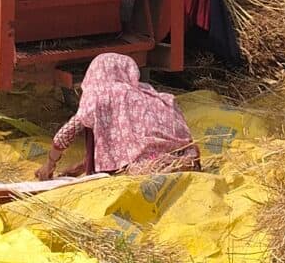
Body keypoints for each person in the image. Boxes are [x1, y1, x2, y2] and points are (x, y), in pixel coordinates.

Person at [39, 52, 199, 177]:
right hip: (184, 157)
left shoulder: (99, 94)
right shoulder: (147, 93)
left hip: (147, 167)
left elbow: (66, 134)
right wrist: (81, 166)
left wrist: (50, 164)